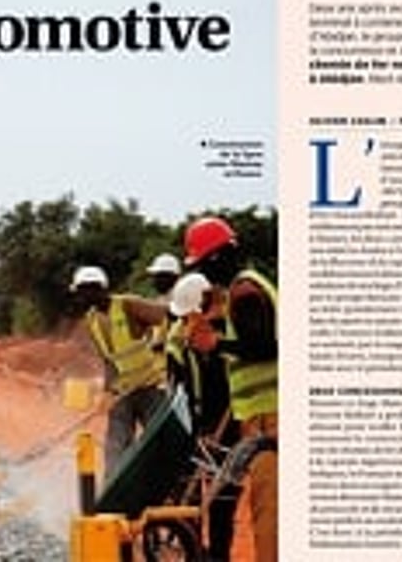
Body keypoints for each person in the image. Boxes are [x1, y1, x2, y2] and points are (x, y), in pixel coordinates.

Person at [179, 216, 277, 562]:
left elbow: (268, 347)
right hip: (261, 417)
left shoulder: (245, 292)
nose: (204, 276)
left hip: (272, 417)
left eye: (204, 265)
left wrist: (216, 345)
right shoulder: (246, 287)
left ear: (218, 257)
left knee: (270, 519)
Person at [69, 265, 170, 481]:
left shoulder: (128, 305)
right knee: (116, 445)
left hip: (151, 386)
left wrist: (163, 346)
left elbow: (168, 317)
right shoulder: (92, 321)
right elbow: (109, 362)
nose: (80, 298)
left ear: (97, 289)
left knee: (159, 441)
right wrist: (108, 392)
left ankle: (170, 488)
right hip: (123, 391)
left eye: (83, 292)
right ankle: (114, 491)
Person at [166, 272, 240, 561]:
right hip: (195, 428)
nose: (186, 324)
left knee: (223, 498)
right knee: (189, 495)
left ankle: (219, 556)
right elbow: (178, 391)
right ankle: (192, 551)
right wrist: (196, 430)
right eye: (184, 318)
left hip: (229, 425)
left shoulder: (229, 333)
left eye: (191, 316)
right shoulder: (178, 340)